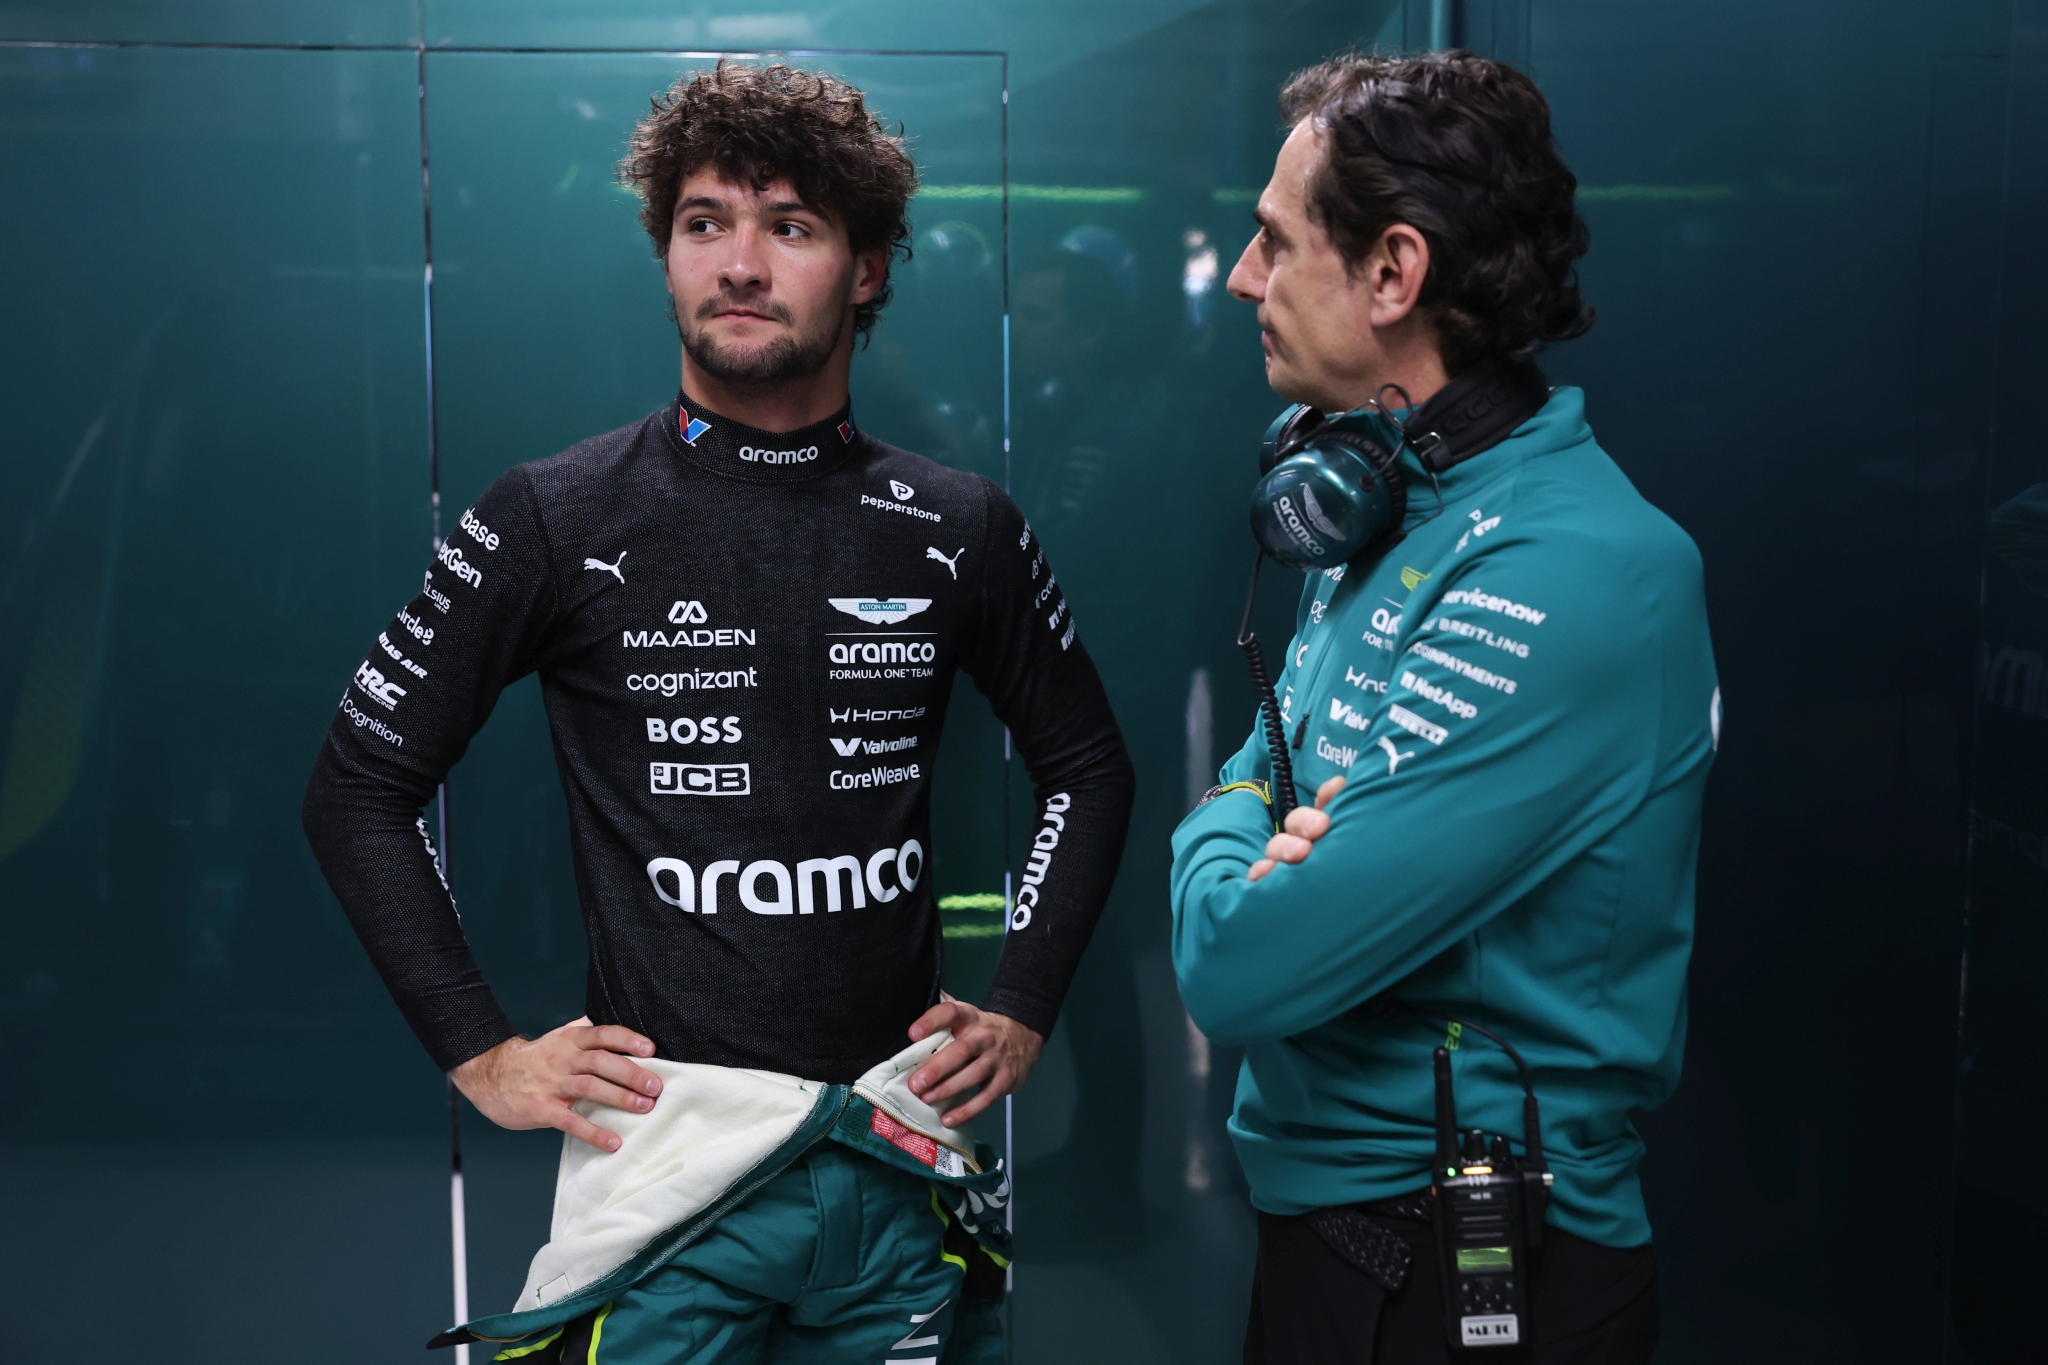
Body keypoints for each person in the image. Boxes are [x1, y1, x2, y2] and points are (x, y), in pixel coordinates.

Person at [303, 60, 1134, 1363]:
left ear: (866, 269)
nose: (739, 264)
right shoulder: (554, 514)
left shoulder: (960, 523)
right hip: (666, 1180)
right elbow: (357, 786)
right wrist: (482, 1052)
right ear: (667, 254)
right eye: (704, 223)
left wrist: (1023, 999)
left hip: (894, 1157)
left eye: (789, 226)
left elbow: (1087, 764)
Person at [1170, 51, 1717, 1363]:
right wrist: (1261, 806)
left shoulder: (1575, 572)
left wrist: (1234, 823)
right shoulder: (1384, 503)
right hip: (1331, 1238)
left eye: (1275, 240)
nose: (1242, 277)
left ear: (1392, 272)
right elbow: (1267, 768)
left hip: (1468, 1266)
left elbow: (1237, 960)